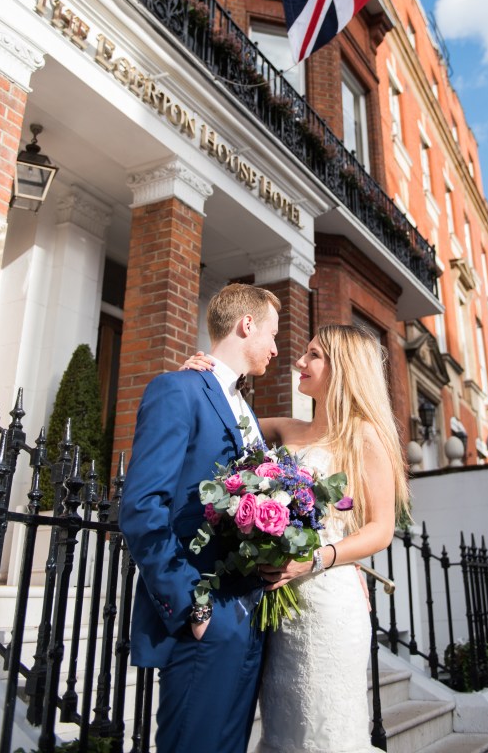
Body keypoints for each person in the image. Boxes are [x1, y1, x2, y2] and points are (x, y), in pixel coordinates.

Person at [183, 324, 410, 753]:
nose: (299, 363)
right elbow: (224, 423)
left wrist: (314, 560)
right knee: (283, 732)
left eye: (314, 355)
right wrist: (201, 376)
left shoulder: (364, 436)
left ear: (343, 368)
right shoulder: (288, 429)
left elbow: (380, 529)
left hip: (329, 604)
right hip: (279, 610)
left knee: (325, 735)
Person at [119, 282, 281, 753]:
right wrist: (194, 606)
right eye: (271, 333)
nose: (275, 348)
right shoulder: (178, 389)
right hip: (206, 616)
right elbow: (142, 508)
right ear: (246, 324)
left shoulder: (246, 409)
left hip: (250, 619)